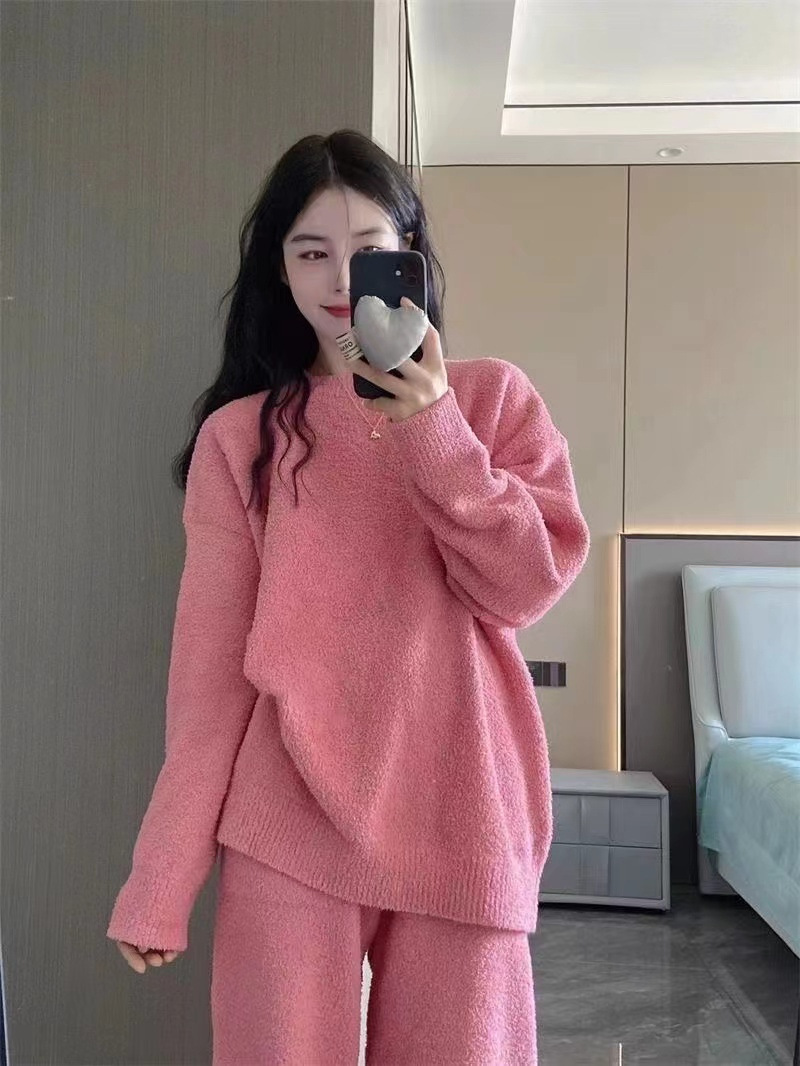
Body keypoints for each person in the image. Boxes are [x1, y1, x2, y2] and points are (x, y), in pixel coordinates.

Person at [106, 128, 591, 1064]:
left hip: (464, 813)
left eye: (368, 250)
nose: (340, 278)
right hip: (287, 819)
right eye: (310, 251)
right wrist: (161, 875)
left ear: (409, 256)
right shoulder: (240, 440)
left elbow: (524, 588)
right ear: (277, 269)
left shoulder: (493, 403)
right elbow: (209, 686)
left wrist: (433, 429)